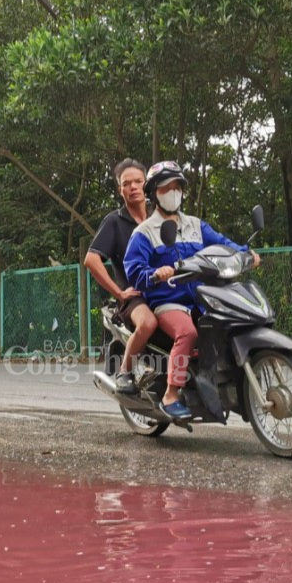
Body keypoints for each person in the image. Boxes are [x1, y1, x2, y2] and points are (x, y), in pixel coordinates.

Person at [124, 161, 260, 420]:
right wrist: (155, 274)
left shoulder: (196, 225)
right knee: (187, 332)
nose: (173, 193)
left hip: (201, 297)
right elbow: (134, 271)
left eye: (177, 187)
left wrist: (246, 253)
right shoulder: (145, 232)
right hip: (168, 299)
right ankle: (171, 395)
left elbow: (222, 243)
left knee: (229, 322)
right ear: (154, 194)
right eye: (166, 188)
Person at [85, 159, 159, 393]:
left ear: (147, 185)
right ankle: (124, 371)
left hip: (164, 290)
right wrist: (119, 292)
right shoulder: (114, 221)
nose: (133, 187)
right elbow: (91, 259)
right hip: (134, 296)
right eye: (126, 184)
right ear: (120, 190)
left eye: (138, 181)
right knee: (148, 323)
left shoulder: (160, 217)